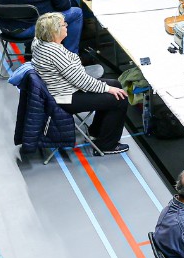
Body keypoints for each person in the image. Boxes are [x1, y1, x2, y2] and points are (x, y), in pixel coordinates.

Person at [31, 12, 129, 154]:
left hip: (62, 89)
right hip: (66, 97)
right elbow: (82, 81)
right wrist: (106, 89)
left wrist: (109, 87)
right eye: (64, 25)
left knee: (115, 84)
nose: (67, 26)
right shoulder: (55, 52)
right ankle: (106, 145)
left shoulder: (39, 42)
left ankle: (96, 131)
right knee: (120, 98)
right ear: (54, 32)